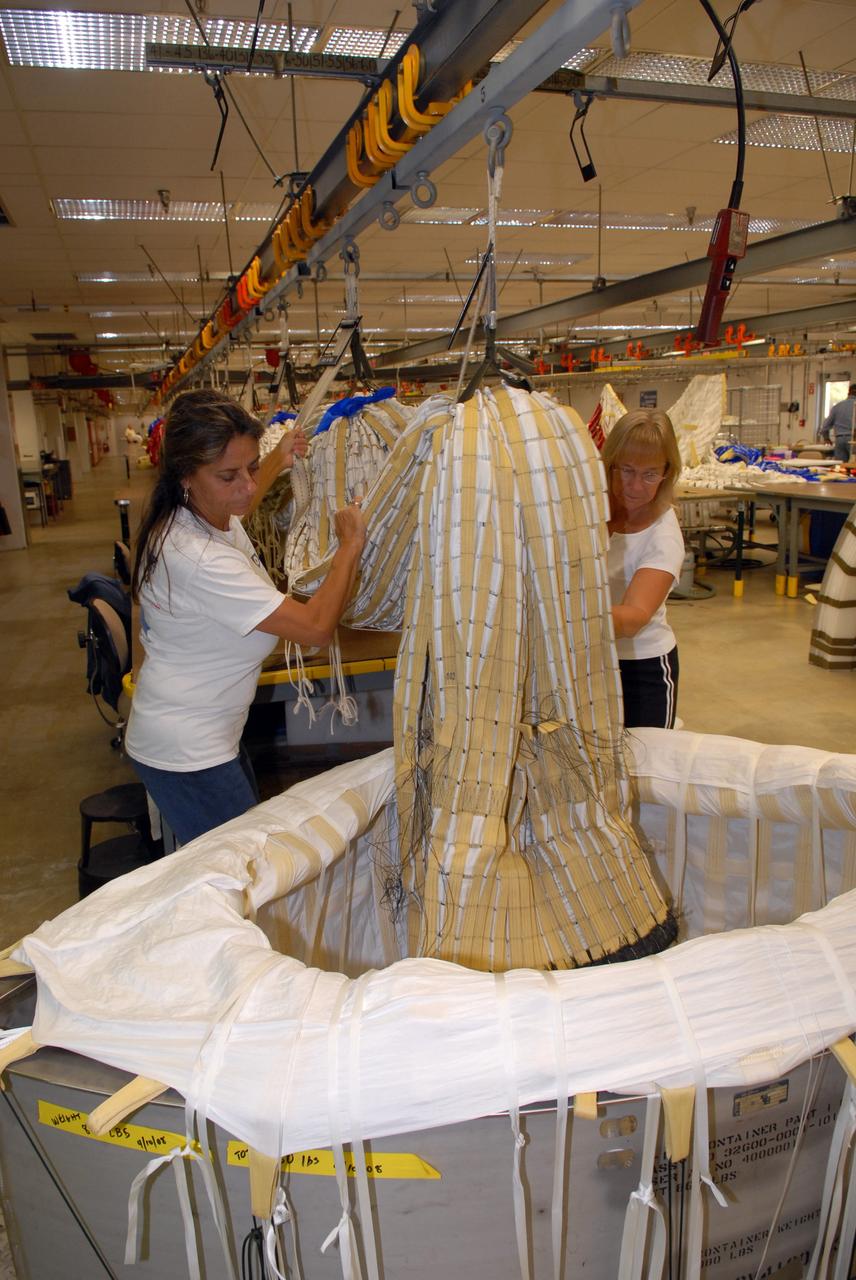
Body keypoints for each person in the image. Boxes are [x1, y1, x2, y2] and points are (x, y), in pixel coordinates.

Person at [125, 388, 367, 845]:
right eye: (230, 475)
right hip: (188, 752)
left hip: (204, 736)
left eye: (251, 467)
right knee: (240, 873)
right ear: (185, 476)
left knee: (238, 863)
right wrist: (350, 547)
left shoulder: (198, 513)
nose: (249, 486)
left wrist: (277, 460)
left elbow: (240, 509)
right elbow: (316, 628)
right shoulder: (197, 559)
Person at [602, 409, 685, 729]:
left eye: (650, 474)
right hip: (592, 662)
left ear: (667, 472)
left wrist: (562, 614)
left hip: (642, 670)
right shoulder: (591, 510)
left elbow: (634, 618)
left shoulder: (663, 534)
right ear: (609, 464)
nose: (635, 486)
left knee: (645, 768)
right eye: (626, 470)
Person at [820, 385, 856, 463]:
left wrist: (826, 438)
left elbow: (825, 426)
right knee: (854, 466)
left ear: (848, 392)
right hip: (854, 440)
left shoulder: (837, 406)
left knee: (840, 467)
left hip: (840, 440)